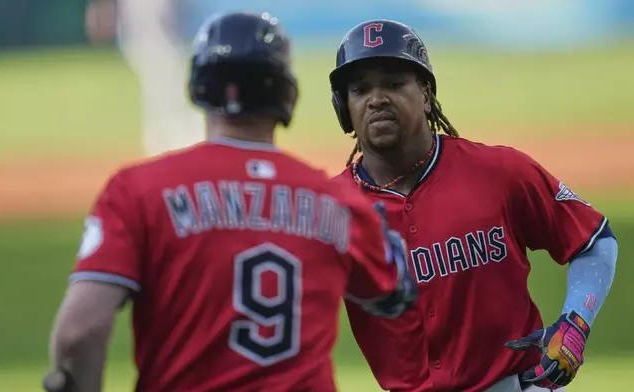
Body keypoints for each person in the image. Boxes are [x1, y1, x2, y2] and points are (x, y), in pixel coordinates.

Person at [43, 12, 418, 392]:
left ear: (200, 86)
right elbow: (394, 292)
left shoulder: (137, 190)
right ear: (286, 93)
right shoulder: (339, 200)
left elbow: (79, 331)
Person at [329, 19, 618, 392]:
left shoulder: (499, 172)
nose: (377, 98)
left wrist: (576, 320)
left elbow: (594, 240)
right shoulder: (330, 208)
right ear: (344, 107)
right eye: (360, 89)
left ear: (427, 93)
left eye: (395, 83)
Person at [85, 0, 208, 156]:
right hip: (145, 23)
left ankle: (170, 136)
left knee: (170, 78)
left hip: (163, 25)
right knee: (162, 78)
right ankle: (166, 137)